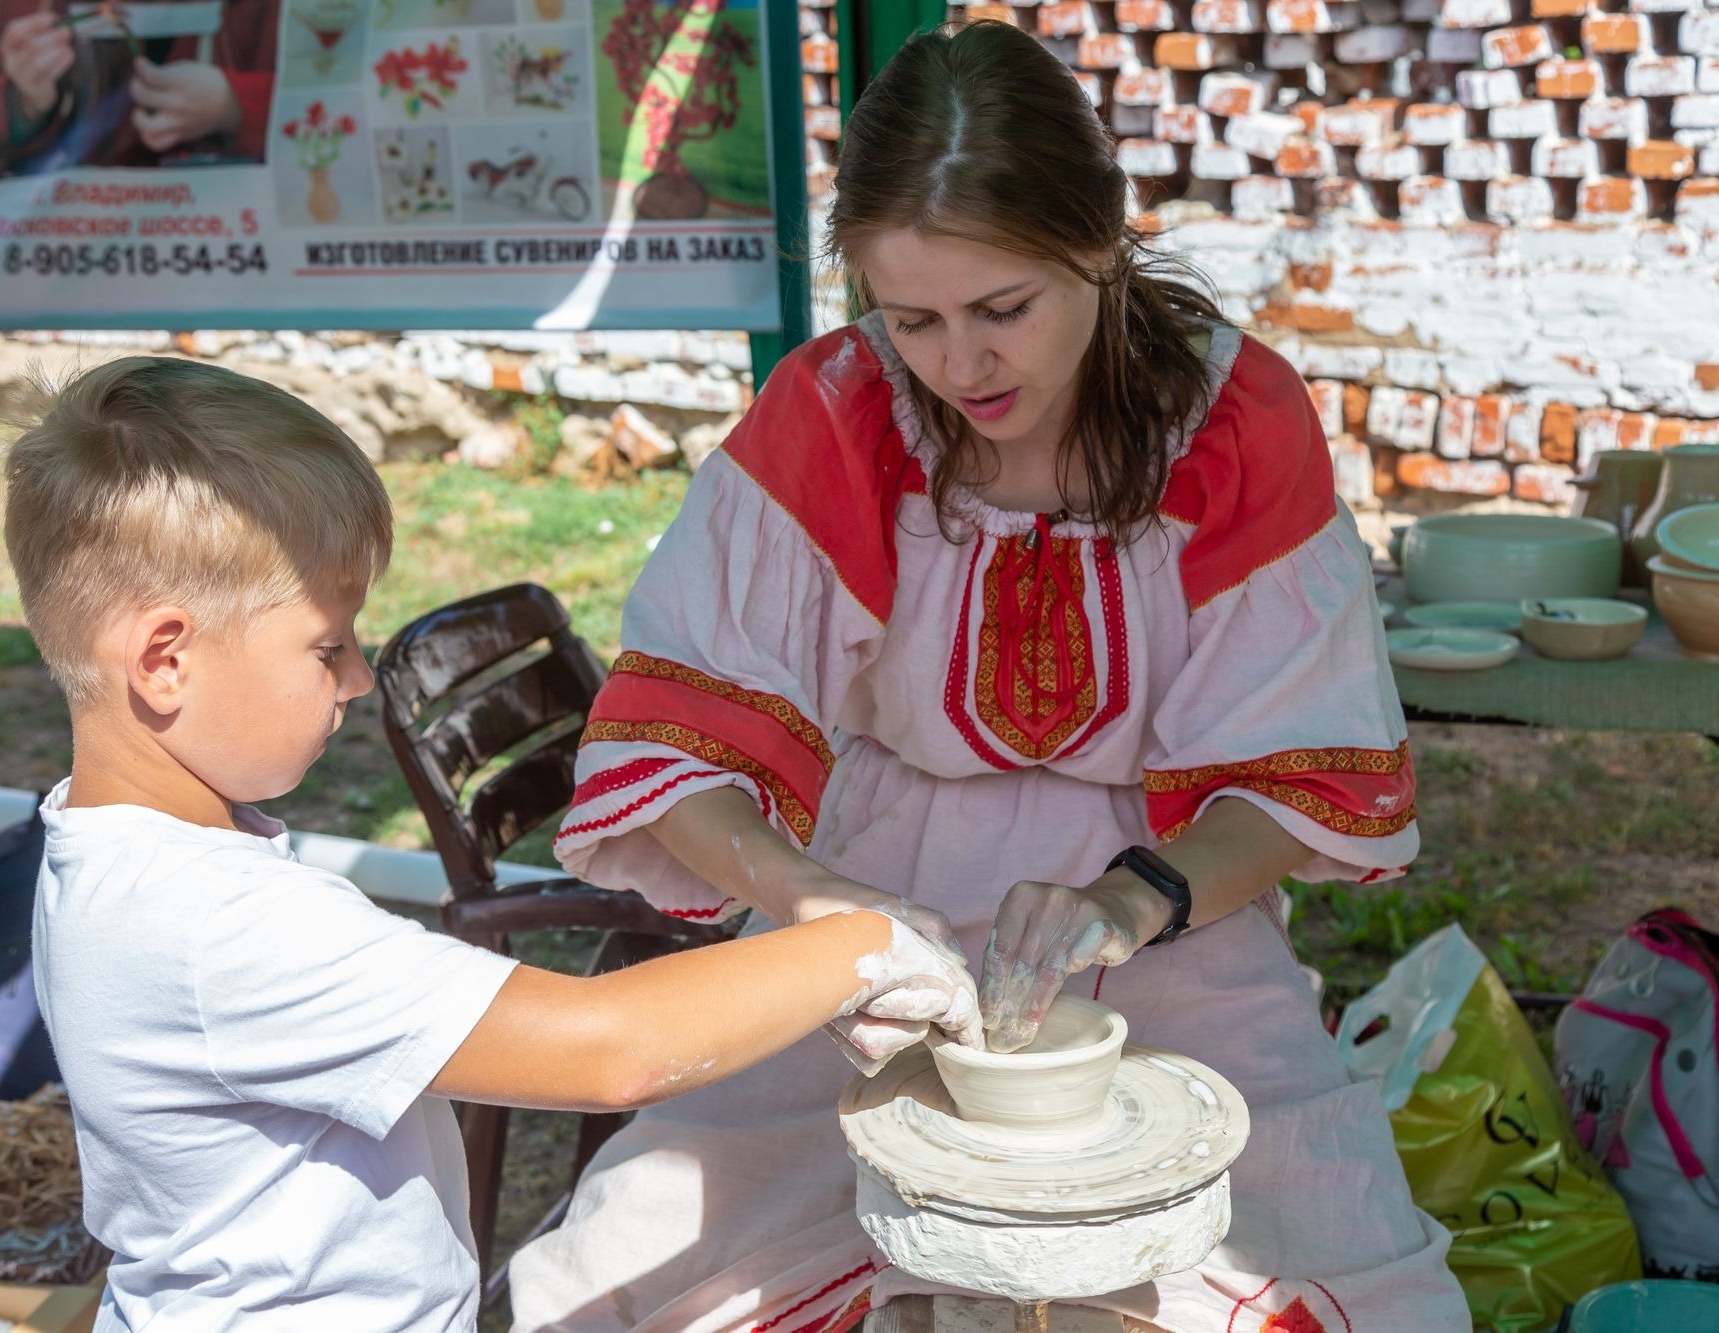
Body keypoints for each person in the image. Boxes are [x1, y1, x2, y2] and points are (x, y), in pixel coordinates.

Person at [507, 22, 1471, 1333]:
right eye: (913, 319)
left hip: (1170, 905)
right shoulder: (839, 412)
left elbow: (1297, 776)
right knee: (636, 1267)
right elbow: (678, 744)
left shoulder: (1233, 424)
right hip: (877, 888)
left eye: (1001, 310)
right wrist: (812, 901)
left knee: (1341, 1264)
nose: (959, 366)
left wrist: (1129, 902)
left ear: (1098, 245)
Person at [5, 356, 983, 1332]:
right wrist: (861, 943)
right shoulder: (225, 927)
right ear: (165, 660)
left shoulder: (105, 854)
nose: (356, 679)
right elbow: (611, 1049)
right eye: (328, 645)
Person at [0, 0, 278, 177]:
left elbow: (303, 101)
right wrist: (26, 103)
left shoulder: (268, 12)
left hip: (230, 226)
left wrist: (235, 104)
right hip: (80, 228)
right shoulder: (34, 9)